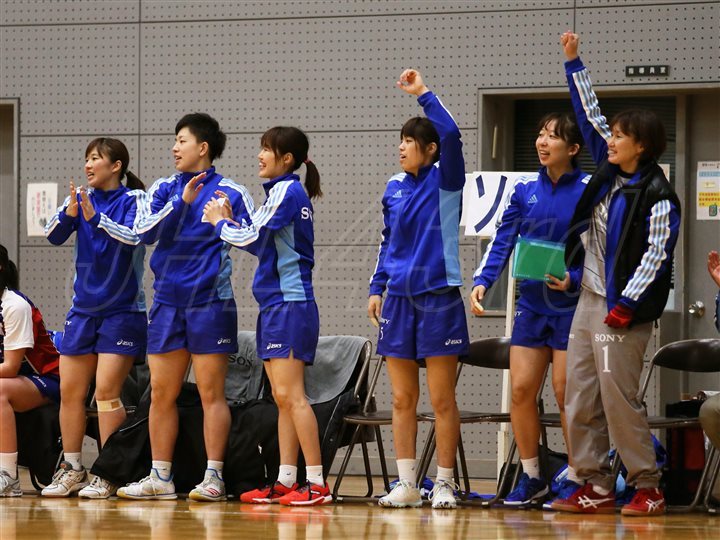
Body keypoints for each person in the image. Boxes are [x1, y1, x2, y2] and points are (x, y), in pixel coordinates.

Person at [552, 32, 681, 516]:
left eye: (621, 136)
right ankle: (596, 484)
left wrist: (625, 305)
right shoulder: (609, 171)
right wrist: (574, 62)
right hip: (588, 300)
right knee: (579, 397)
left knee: (619, 400)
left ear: (640, 146)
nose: (611, 140)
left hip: (621, 311)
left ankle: (648, 485)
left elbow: (655, 257)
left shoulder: (659, 195)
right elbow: (591, 115)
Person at [117, 113, 253, 502]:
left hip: (211, 303)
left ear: (203, 147)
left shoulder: (231, 191)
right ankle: (160, 477)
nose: (174, 148)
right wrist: (182, 202)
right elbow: (142, 233)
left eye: (182, 140)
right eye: (175, 141)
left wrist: (225, 222)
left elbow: (251, 237)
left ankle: (214, 477)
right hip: (167, 303)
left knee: (212, 393)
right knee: (161, 393)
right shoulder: (163, 188)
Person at [204, 126, 329, 505]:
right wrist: (231, 221)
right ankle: (286, 479)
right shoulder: (281, 192)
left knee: (293, 396)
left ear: (286, 159)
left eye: (266, 149)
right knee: (281, 397)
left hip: (291, 306)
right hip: (276, 306)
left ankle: (317, 483)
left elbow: (250, 238)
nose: (259, 155)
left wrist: (219, 222)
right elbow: (258, 238)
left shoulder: (287, 191)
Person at [470, 112, 588, 507]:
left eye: (552, 136)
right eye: (540, 133)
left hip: (572, 306)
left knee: (565, 392)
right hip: (532, 306)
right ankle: (533, 475)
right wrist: (483, 280)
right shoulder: (524, 191)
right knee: (520, 390)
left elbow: (602, 252)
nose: (542, 141)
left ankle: (577, 477)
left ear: (572, 148)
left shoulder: (589, 191)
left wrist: (573, 277)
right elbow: (503, 240)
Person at [367, 69, 468, 510]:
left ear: (430, 149)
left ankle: (444, 482)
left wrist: (423, 93)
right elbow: (387, 240)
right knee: (402, 397)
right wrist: (377, 286)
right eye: (401, 140)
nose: (402, 146)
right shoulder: (393, 186)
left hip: (439, 298)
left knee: (442, 399)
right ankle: (407, 483)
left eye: (410, 141)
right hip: (398, 301)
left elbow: (452, 133)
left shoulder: (447, 180)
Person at [41, 138, 146, 499]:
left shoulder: (134, 200)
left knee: (106, 392)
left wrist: (96, 218)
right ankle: (72, 468)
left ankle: (108, 472)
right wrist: (70, 213)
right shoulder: (79, 198)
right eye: (86, 158)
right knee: (70, 391)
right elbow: (52, 235)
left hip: (122, 312)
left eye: (96, 158)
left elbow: (135, 237)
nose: (88, 165)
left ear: (116, 166)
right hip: (82, 311)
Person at [0, 244, 61, 497]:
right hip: (16, 379)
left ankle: (8, 477)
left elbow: (11, 368)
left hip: (46, 378)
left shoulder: (14, 306)